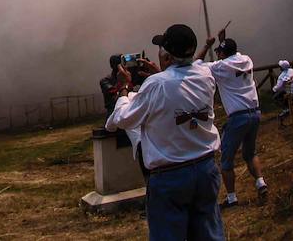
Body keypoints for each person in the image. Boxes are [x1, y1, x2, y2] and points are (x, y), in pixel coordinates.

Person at [106, 24, 223, 241]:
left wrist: (123, 88)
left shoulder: (156, 85)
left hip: (170, 177)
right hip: (206, 169)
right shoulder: (206, 75)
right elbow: (181, 82)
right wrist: (162, 73)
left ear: (167, 56)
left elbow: (123, 119)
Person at [199, 29, 268, 206]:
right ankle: (261, 182)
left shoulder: (220, 67)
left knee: (226, 161)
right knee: (250, 152)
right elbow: (232, 55)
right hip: (255, 113)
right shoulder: (247, 60)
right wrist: (223, 42)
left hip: (237, 118)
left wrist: (208, 45)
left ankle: (231, 198)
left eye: (219, 52)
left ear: (222, 53)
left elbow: (196, 64)